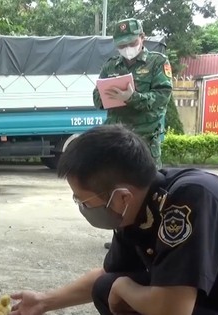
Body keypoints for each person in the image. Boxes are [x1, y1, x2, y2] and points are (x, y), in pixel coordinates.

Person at [9, 124, 218, 315]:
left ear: (121, 197)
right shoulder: (135, 208)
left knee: (121, 289)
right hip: (212, 296)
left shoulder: (189, 200)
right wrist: (44, 301)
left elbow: (173, 310)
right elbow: (107, 274)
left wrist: (124, 287)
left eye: (84, 201)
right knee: (105, 287)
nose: (83, 207)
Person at [92, 18, 173, 250]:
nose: (126, 48)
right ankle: (123, 237)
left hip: (145, 139)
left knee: (150, 189)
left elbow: (162, 98)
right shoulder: (111, 66)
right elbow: (97, 98)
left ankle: (156, 237)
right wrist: (106, 95)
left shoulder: (158, 62)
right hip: (117, 140)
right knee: (117, 188)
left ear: (142, 38)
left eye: (131, 42)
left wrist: (132, 98)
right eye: (121, 45)